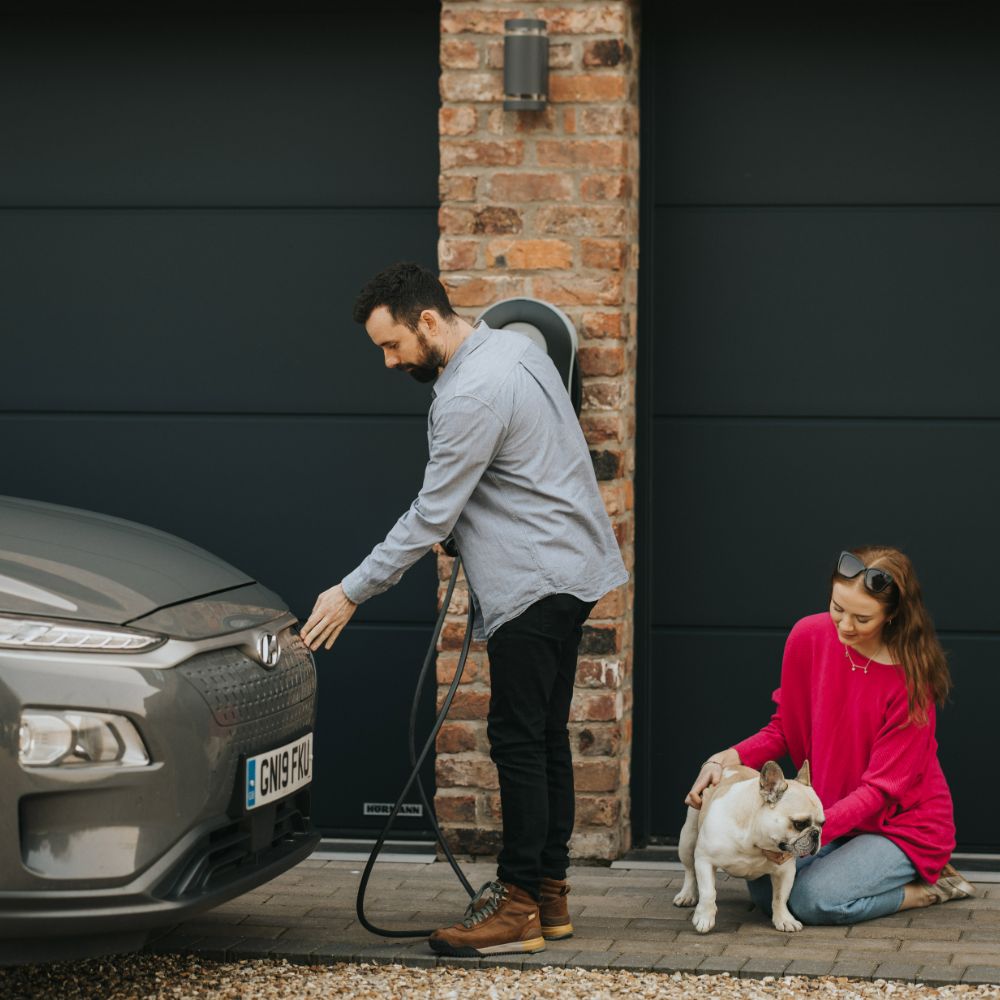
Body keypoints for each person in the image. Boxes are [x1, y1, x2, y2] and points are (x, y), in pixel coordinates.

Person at [301, 262, 628, 956]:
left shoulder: (469, 395)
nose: (389, 362)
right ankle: (548, 894)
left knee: (516, 739)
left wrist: (350, 591)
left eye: (392, 346)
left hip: (533, 579)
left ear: (426, 320)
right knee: (542, 738)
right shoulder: (515, 346)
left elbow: (428, 516)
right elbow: (526, 463)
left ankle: (516, 907)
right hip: (572, 569)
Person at [686, 546, 975, 925]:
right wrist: (725, 759)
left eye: (862, 617)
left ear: (893, 616)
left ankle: (926, 887)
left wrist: (814, 831)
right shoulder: (808, 636)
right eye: (837, 608)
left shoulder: (911, 684)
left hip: (900, 826)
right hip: (830, 817)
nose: (844, 626)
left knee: (809, 901)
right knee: (760, 886)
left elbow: (880, 791)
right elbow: (784, 730)